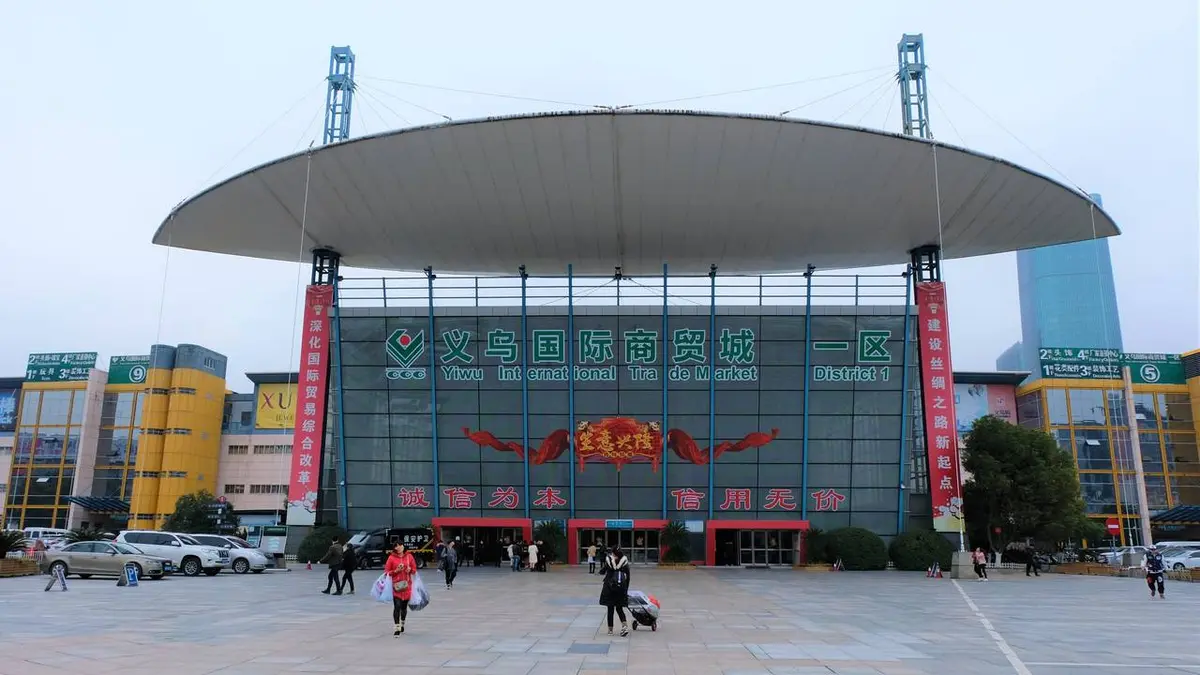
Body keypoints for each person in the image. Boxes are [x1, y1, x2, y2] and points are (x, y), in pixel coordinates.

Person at [384, 543, 417, 636]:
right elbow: (386, 572)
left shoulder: (409, 556)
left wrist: (410, 570)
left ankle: (402, 622)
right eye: (396, 546)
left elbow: (414, 570)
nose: (398, 547)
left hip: (407, 586)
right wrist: (396, 571)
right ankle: (397, 627)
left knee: (404, 607)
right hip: (396, 586)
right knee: (397, 606)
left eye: (400, 545)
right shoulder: (391, 558)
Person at [599, 546, 631, 636]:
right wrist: (625, 589)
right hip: (620, 589)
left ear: (613, 553)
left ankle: (610, 630)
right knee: (619, 608)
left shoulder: (609, 561)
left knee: (610, 609)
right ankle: (624, 625)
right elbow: (628, 577)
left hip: (609, 589)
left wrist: (602, 571)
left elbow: (602, 571)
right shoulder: (624, 562)